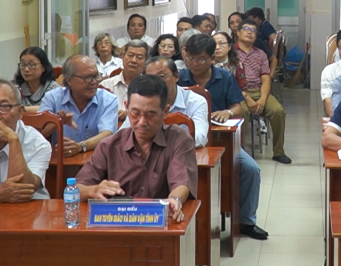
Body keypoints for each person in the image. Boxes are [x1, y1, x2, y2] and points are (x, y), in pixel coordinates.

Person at [177, 34, 268, 240]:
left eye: (201, 59)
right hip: (186, 143)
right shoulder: (179, 78)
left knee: (250, 170)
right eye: (190, 58)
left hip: (221, 140)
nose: (195, 63)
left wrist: (228, 112)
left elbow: (238, 106)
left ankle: (246, 221)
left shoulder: (224, 77)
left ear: (212, 58)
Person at [75, 75, 197, 223]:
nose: (142, 122)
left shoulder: (179, 139)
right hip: (116, 224)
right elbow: (76, 189)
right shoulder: (110, 145)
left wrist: (174, 200)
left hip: (159, 224)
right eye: (135, 113)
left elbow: (181, 182)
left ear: (165, 111)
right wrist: (93, 190)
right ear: (126, 107)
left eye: (150, 115)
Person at [39, 55, 118, 158]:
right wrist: (58, 121)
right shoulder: (52, 98)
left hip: (96, 163)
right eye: (88, 78)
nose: (94, 82)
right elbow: (39, 134)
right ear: (69, 80)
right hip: (60, 162)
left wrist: (81, 146)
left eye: (96, 76)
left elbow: (107, 134)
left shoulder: (109, 100)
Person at [121, 58, 209, 148]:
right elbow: (122, 136)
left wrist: (160, 142)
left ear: (176, 76)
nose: (156, 83)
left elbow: (199, 138)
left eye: (162, 76)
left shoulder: (196, 101)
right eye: (151, 78)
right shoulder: (141, 102)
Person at [236, 19, 290, 164]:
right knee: (243, 112)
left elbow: (266, 79)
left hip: (258, 91)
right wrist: (246, 98)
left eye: (253, 30)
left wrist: (262, 99)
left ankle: (278, 152)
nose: (249, 32)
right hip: (238, 93)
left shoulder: (260, 54)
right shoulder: (231, 53)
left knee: (278, 111)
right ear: (238, 32)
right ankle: (238, 152)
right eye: (246, 28)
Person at [100, 39, 150, 120]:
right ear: (122, 56)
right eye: (130, 55)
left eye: (139, 57)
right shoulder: (105, 85)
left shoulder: (150, 87)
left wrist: (129, 115)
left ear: (146, 61)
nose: (134, 60)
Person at [12, 47, 60, 112]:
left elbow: (53, 109)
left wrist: (22, 110)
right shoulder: (14, 87)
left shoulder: (53, 88)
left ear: (43, 67)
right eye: (23, 65)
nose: (26, 69)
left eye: (32, 65)